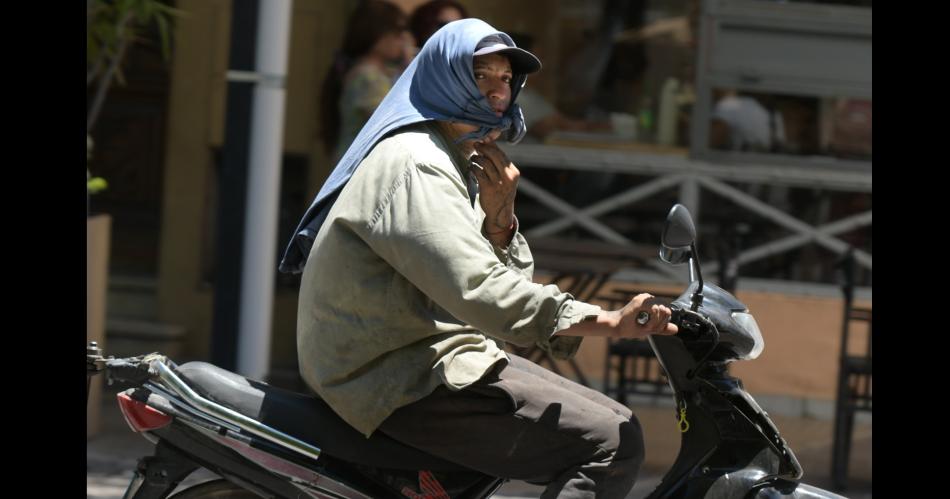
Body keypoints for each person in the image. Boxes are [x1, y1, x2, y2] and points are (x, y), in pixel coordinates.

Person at [281, 19, 678, 498]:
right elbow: (480, 291)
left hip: (432, 355)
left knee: (618, 420)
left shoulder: (456, 156)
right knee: (611, 442)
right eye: (481, 76)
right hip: (393, 376)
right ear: (443, 77)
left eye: (506, 79)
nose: (498, 92)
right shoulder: (417, 162)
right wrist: (607, 320)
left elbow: (492, 293)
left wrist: (500, 222)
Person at [320, 0, 414, 160]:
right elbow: (393, 123)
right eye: (398, 32)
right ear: (377, 34)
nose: (404, 40)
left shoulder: (369, 73)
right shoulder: (368, 78)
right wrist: (411, 69)